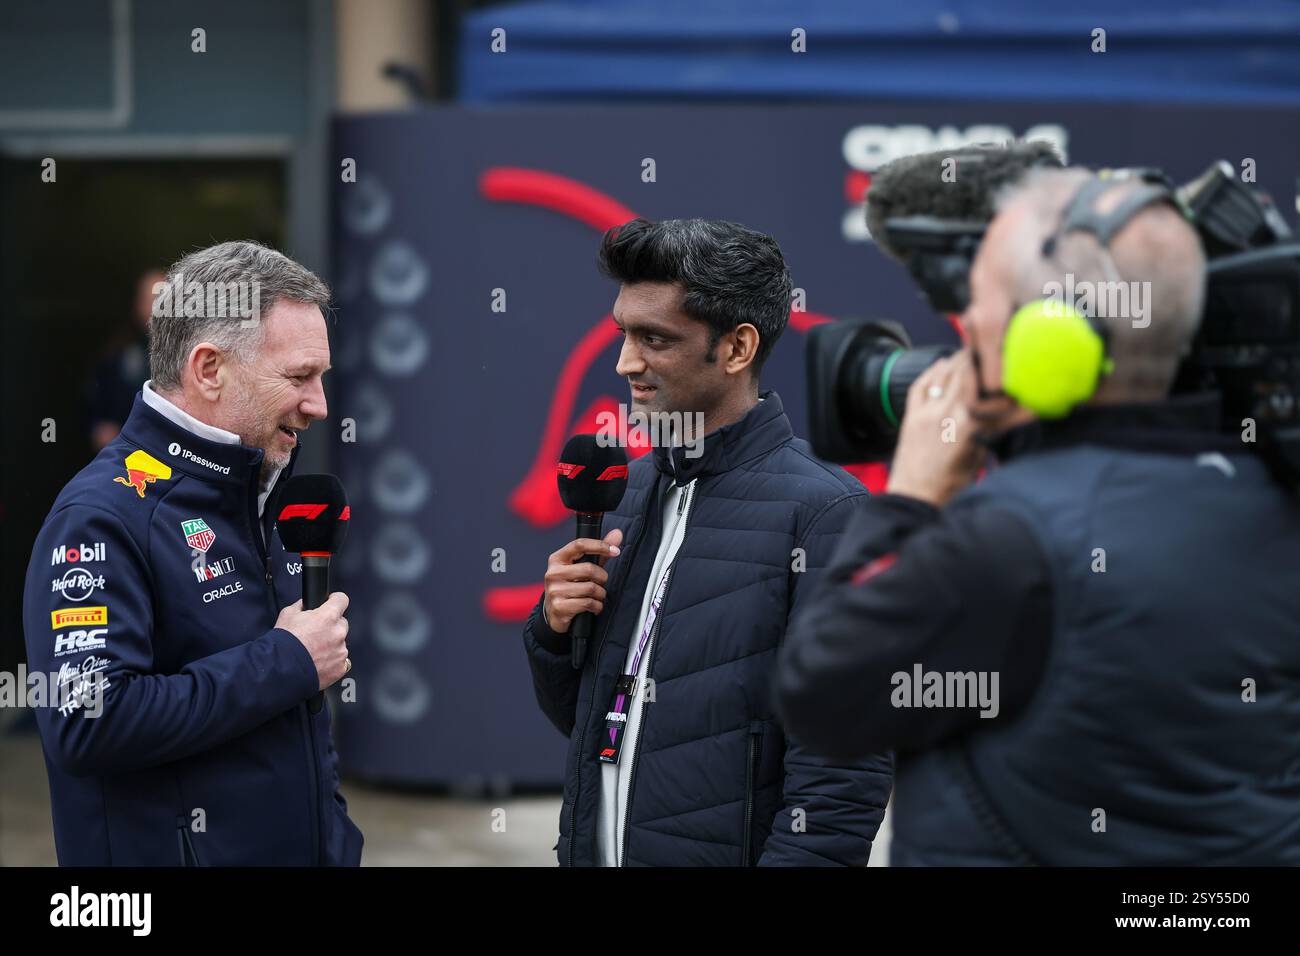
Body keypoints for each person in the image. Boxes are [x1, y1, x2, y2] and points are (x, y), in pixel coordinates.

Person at [776, 168, 1300, 865]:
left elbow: (821, 692)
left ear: (1046, 339)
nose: (969, 332)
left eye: (983, 302)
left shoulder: (1010, 538)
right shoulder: (1271, 499)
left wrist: (910, 497)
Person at [524, 218, 893, 867]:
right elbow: (592, 728)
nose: (625, 362)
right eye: (623, 334)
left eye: (654, 339)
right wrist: (554, 633)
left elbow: (839, 785)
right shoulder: (628, 490)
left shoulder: (828, 514)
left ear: (737, 347)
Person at [23, 240, 362, 866]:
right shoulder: (100, 516)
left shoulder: (263, 489)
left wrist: (336, 844)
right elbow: (87, 722)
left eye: (322, 378)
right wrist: (285, 661)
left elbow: (293, 722)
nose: (319, 405)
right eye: (298, 378)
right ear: (208, 370)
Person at [83, 269, 165, 451]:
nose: (157, 309)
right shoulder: (118, 353)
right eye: (151, 301)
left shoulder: (190, 355)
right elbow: (97, 411)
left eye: (163, 302)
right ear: (137, 304)